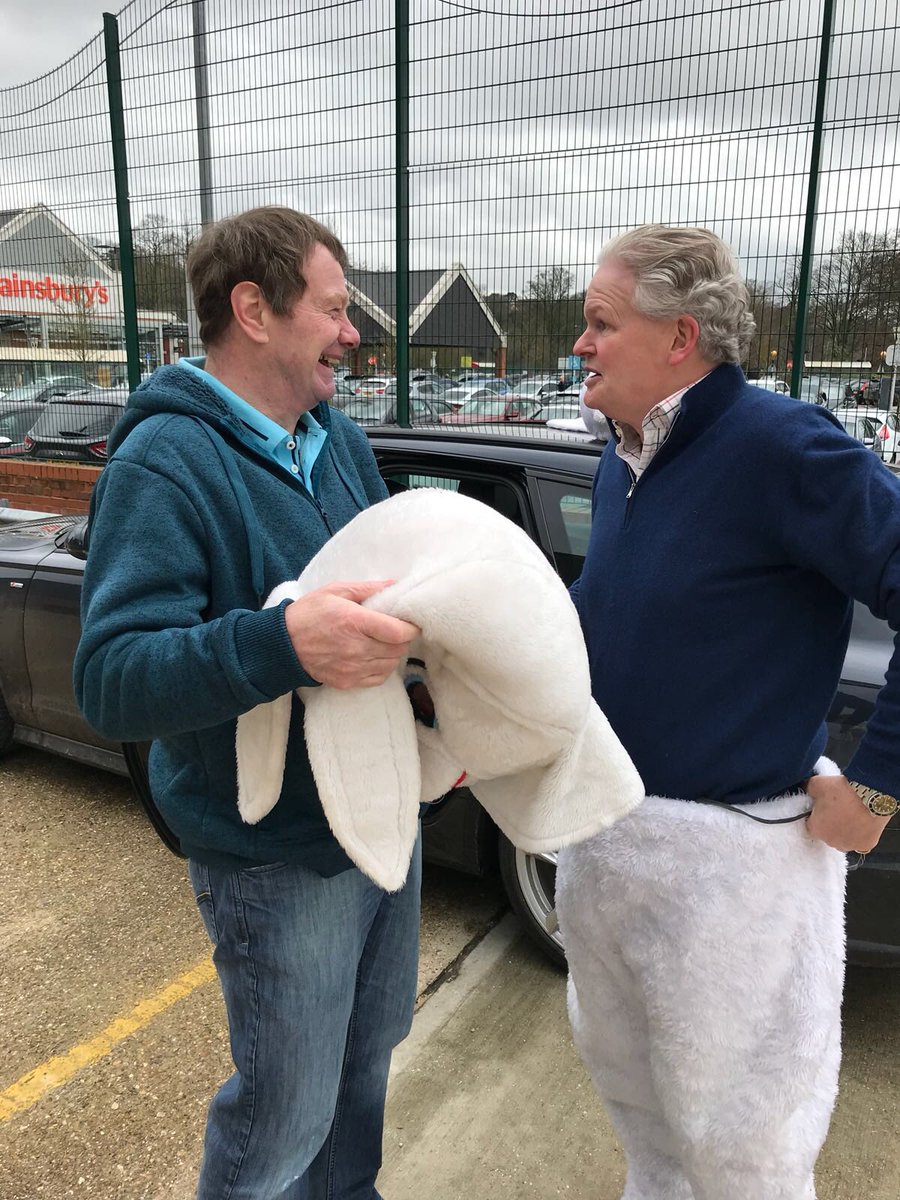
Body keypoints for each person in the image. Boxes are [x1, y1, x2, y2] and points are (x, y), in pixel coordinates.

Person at [74, 206, 422, 1200]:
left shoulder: (337, 441)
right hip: (274, 857)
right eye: (334, 309)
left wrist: (434, 708)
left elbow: (387, 599)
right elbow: (112, 678)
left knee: (363, 1076)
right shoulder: (165, 460)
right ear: (254, 311)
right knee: (282, 1120)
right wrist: (282, 645)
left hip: (380, 823)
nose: (353, 332)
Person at [556, 224, 900, 1200]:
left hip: (735, 881)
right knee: (652, 1133)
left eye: (601, 322)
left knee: (745, 1158)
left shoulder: (784, 446)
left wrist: (877, 789)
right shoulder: (623, 458)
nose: (581, 343)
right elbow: (610, 617)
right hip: (614, 851)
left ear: (681, 337)